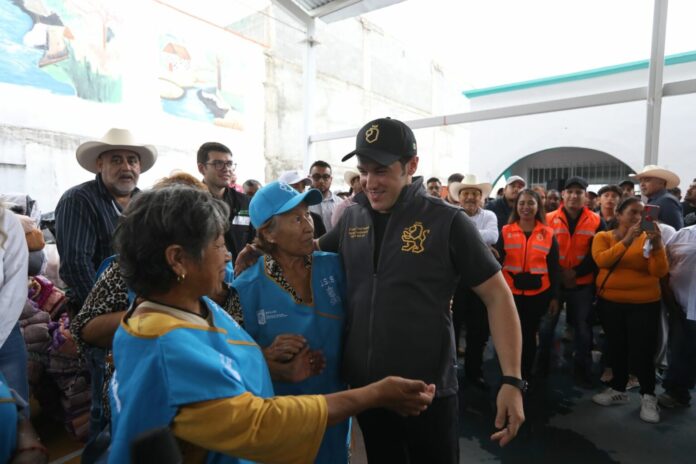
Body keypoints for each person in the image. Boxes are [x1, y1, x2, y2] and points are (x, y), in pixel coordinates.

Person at [108, 186, 435, 463]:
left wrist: (277, 370)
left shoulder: (193, 307)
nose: (227, 256)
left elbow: (228, 365)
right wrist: (375, 394)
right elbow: (259, 424)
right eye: (219, 244)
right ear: (178, 259)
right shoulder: (166, 345)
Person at [318, 117, 524, 462]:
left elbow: (497, 295)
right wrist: (264, 249)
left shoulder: (447, 221)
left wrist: (512, 380)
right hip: (367, 393)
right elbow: (311, 253)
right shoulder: (352, 218)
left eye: (381, 170)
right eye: (364, 170)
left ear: (412, 165)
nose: (370, 182)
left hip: (426, 393)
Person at [232, 181, 349, 463]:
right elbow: (231, 358)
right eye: (296, 219)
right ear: (269, 233)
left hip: (336, 413)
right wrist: (263, 355)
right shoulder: (246, 286)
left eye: (307, 214)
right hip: (283, 419)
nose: (309, 225)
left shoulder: (335, 267)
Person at [55, 128, 157, 310]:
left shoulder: (146, 203)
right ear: (100, 165)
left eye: (132, 161)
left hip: (142, 305)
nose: (126, 167)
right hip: (96, 309)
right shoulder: (79, 199)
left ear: (139, 167)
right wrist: (103, 310)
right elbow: (75, 264)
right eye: (116, 160)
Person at [590, 196, 668, 423]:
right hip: (610, 302)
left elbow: (659, 271)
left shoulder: (648, 239)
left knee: (642, 350)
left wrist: (658, 244)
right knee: (617, 347)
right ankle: (618, 389)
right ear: (619, 215)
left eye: (641, 213)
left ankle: (648, 395)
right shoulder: (602, 237)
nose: (637, 217)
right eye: (632, 212)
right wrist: (626, 240)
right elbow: (602, 260)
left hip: (644, 303)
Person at [538, 176, 605, 386]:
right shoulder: (547, 218)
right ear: (563, 195)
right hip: (553, 284)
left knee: (582, 330)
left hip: (582, 283)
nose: (574, 195)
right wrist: (560, 273)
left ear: (585, 196)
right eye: (570, 191)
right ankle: (541, 368)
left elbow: (598, 253)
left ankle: (582, 370)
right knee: (547, 327)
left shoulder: (596, 220)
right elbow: (542, 250)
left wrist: (575, 272)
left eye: (579, 192)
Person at [497, 189, 560, 380]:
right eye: (522, 203)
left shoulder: (548, 233)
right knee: (510, 335)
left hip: (538, 294)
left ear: (538, 206)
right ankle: (509, 374)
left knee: (529, 335)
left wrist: (555, 297)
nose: (526, 207)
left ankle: (524, 374)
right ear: (516, 206)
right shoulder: (506, 231)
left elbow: (554, 267)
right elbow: (497, 262)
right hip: (510, 293)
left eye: (530, 203)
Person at [448, 175, 499, 389]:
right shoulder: (450, 215)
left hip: (481, 281)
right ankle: (448, 373)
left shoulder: (489, 215)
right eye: (466, 193)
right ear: (459, 197)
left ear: (481, 198)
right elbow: (484, 239)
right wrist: (479, 243)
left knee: (478, 331)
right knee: (451, 330)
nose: (470, 197)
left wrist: (463, 237)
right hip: (454, 283)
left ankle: (473, 371)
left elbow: (493, 236)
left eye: (475, 194)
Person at [659, 224, 696, 409]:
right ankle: (676, 390)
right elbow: (664, 266)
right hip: (679, 304)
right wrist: (670, 300)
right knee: (680, 349)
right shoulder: (684, 234)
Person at [197, 142, 255, 261]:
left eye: (229, 164)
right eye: (218, 163)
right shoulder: (191, 204)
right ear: (202, 168)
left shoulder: (245, 203)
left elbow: (255, 240)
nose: (226, 169)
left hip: (240, 275)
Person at [630, 165, 683, 230]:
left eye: (647, 180)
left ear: (661, 182)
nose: (642, 184)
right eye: (640, 181)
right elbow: (647, 227)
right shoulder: (654, 200)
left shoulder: (666, 201)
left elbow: (676, 232)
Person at [278, 170, 326, 237]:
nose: (301, 190)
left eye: (303, 186)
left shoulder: (316, 219)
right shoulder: (276, 221)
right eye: (295, 187)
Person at [309, 160, 341, 230]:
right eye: (316, 176)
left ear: (331, 179)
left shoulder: (340, 203)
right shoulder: (302, 203)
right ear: (309, 178)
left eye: (325, 177)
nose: (321, 181)